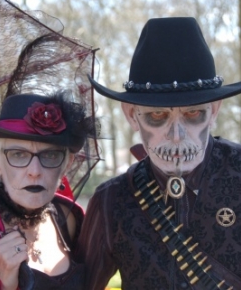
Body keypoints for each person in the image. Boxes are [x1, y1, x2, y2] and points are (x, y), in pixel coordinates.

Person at [77, 17, 241, 289]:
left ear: (214, 111)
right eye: (156, 115)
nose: (177, 136)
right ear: (132, 116)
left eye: (192, 113)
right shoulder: (111, 201)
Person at [0, 33, 100, 289]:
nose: (34, 172)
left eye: (49, 155)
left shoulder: (69, 218)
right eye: (18, 155)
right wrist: (4, 280)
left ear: (67, 164)